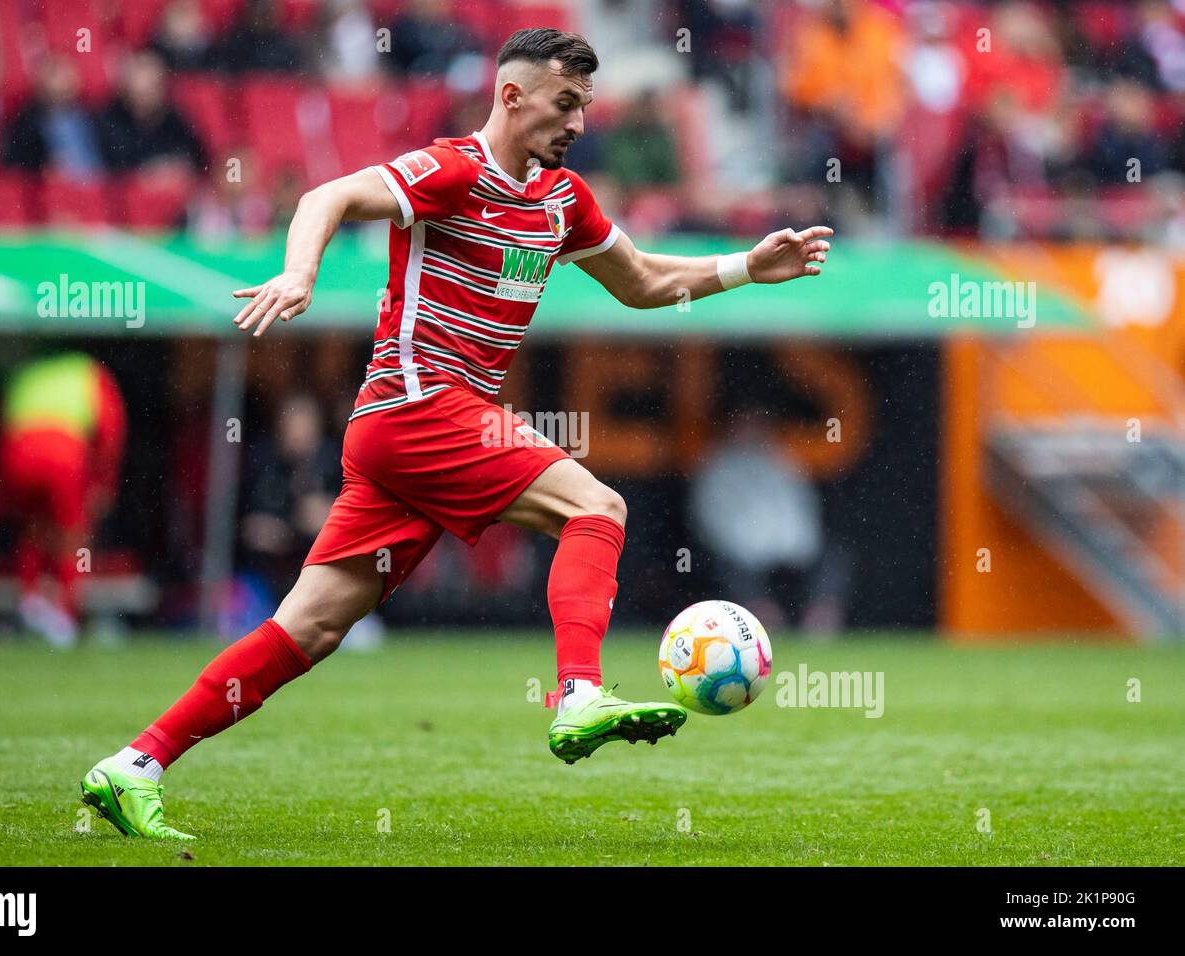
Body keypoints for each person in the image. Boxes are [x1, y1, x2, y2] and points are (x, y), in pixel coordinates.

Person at [80, 28, 832, 839]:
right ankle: (578, 692)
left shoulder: (562, 199)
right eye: (564, 102)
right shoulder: (451, 170)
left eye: (585, 104)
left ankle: (133, 765)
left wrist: (745, 269)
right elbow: (323, 197)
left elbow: (643, 281)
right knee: (597, 508)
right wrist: (300, 273)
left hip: (409, 435)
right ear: (512, 98)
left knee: (309, 628)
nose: (579, 121)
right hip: (419, 406)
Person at [0, 353, 126, 647]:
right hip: (64, 455)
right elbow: (110, 430)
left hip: (17, 455)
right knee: (73, 536)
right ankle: (64, 616)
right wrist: (104, 483)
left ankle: (30, 600)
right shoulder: (90, 374)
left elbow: (2, 428)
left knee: (33, 529)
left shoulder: (28, 372)